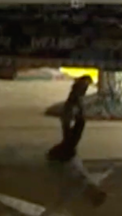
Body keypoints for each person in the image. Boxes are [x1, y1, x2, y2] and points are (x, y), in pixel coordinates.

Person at [46, 76, 109, 208]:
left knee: (71, 137)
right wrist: (110, 171)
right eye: (95, 190)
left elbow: (58, 204)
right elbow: (101, 176)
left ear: (89, 196)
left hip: (57, 159)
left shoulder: (74, 191)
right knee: (78, 125)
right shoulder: (91, 182)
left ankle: (76, 95)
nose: (93, 189)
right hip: (68, 154)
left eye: (93, 193)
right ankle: (76, 99)